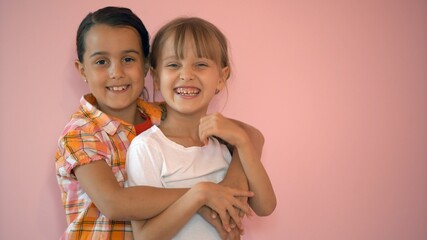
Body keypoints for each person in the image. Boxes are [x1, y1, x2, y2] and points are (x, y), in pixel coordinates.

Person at [55, 6, 262, 240]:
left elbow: (251, 135)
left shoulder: (162, 114)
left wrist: (230, 184)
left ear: (146, 67)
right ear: (82, 70)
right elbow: (114, 203)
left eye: (128, 59)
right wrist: (201, 196)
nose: (116, 72)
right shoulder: (81, 133)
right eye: (101, 61)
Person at [126, 17, 277, 240]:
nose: (186, 75)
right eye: (173, 65)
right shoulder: (147, 147)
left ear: (221, 77)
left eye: (201, 64)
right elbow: (145, 236)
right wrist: (199, 195)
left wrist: (243, 142)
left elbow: (265, 206)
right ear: (156, 78)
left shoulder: (225, 147)